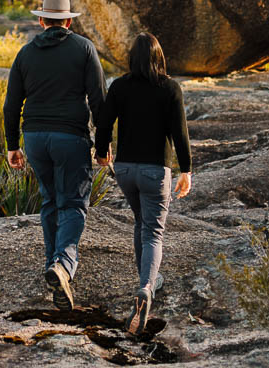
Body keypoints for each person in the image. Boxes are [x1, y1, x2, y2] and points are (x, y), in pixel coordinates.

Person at [3, 0, 107, 311]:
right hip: (70, 137)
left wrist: (12, 146)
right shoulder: (84, 49)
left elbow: (10, 106)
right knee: (73, 203)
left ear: (41, 20)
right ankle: (62, 265)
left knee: (49, 200)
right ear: (69, 20)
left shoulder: (25, 53)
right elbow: (99, 100)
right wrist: (103, 146)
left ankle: (53, 266)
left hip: (34, 137)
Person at [94, 32, 192, 335]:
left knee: (140, 222)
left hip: (124, 170)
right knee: (153, 231)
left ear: (131, 58)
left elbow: (104, 122)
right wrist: (186, 170)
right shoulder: (170, 88)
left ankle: (145, 281)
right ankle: (147, 287)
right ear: (158, 57)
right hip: (154, 171)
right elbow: (180, 132)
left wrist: (101, 151)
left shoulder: (120, 86)